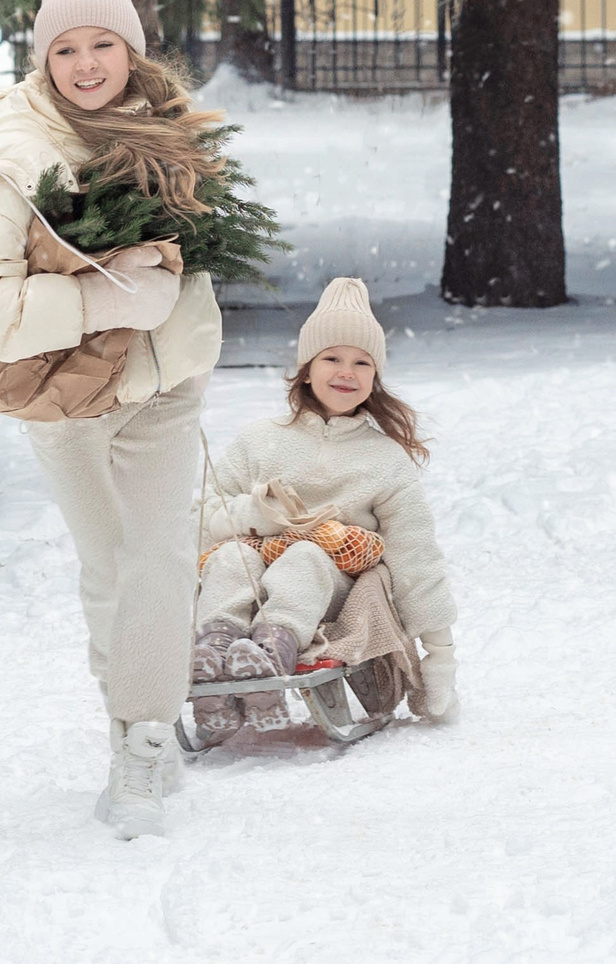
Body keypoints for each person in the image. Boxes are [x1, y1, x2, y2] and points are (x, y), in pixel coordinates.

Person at [0, 0, 226, 839]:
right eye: (66, 49)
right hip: (64, 396)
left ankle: (140, 744)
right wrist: (95, 297)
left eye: (105, 43)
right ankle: (131, 719)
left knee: (159, 557)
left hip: (166, 383)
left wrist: (174, 286)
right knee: (113, 567)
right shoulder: (7, 155)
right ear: (42, 58)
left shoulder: (172, 133)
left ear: (132, 51)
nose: (88, 65)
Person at [189, 277, 458, 740]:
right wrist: (257, 516)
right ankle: (216, 652)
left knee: (305, 557)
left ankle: (270, 653)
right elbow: (201, 514)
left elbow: (415, 555)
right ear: (306, 368)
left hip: (334, 587)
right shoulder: (261, 439)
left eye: (362, 362)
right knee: (232, 558)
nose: (346, 372)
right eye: (332, 357)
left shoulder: (384, 459)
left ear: (375, 378)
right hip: (251, 572)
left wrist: (440, 656)